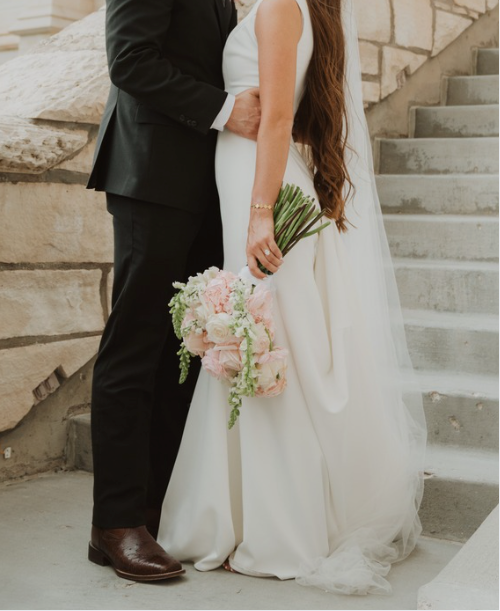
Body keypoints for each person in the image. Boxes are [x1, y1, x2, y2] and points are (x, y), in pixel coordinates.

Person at [158, 0, 427, 595]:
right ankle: (248, 517)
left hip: (263, 190)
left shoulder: (282, 6)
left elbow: (278, 118)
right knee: (266, 342)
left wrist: (260, 214)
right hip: (255, 180)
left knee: (268, 348)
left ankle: (277, 529)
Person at [85, 0, 263, 583]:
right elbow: (130, 60)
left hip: (208, 182)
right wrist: (226, 110)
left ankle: (154, 508)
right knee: (134, 346)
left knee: (182, 354)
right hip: (152, 174)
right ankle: (115, 523)